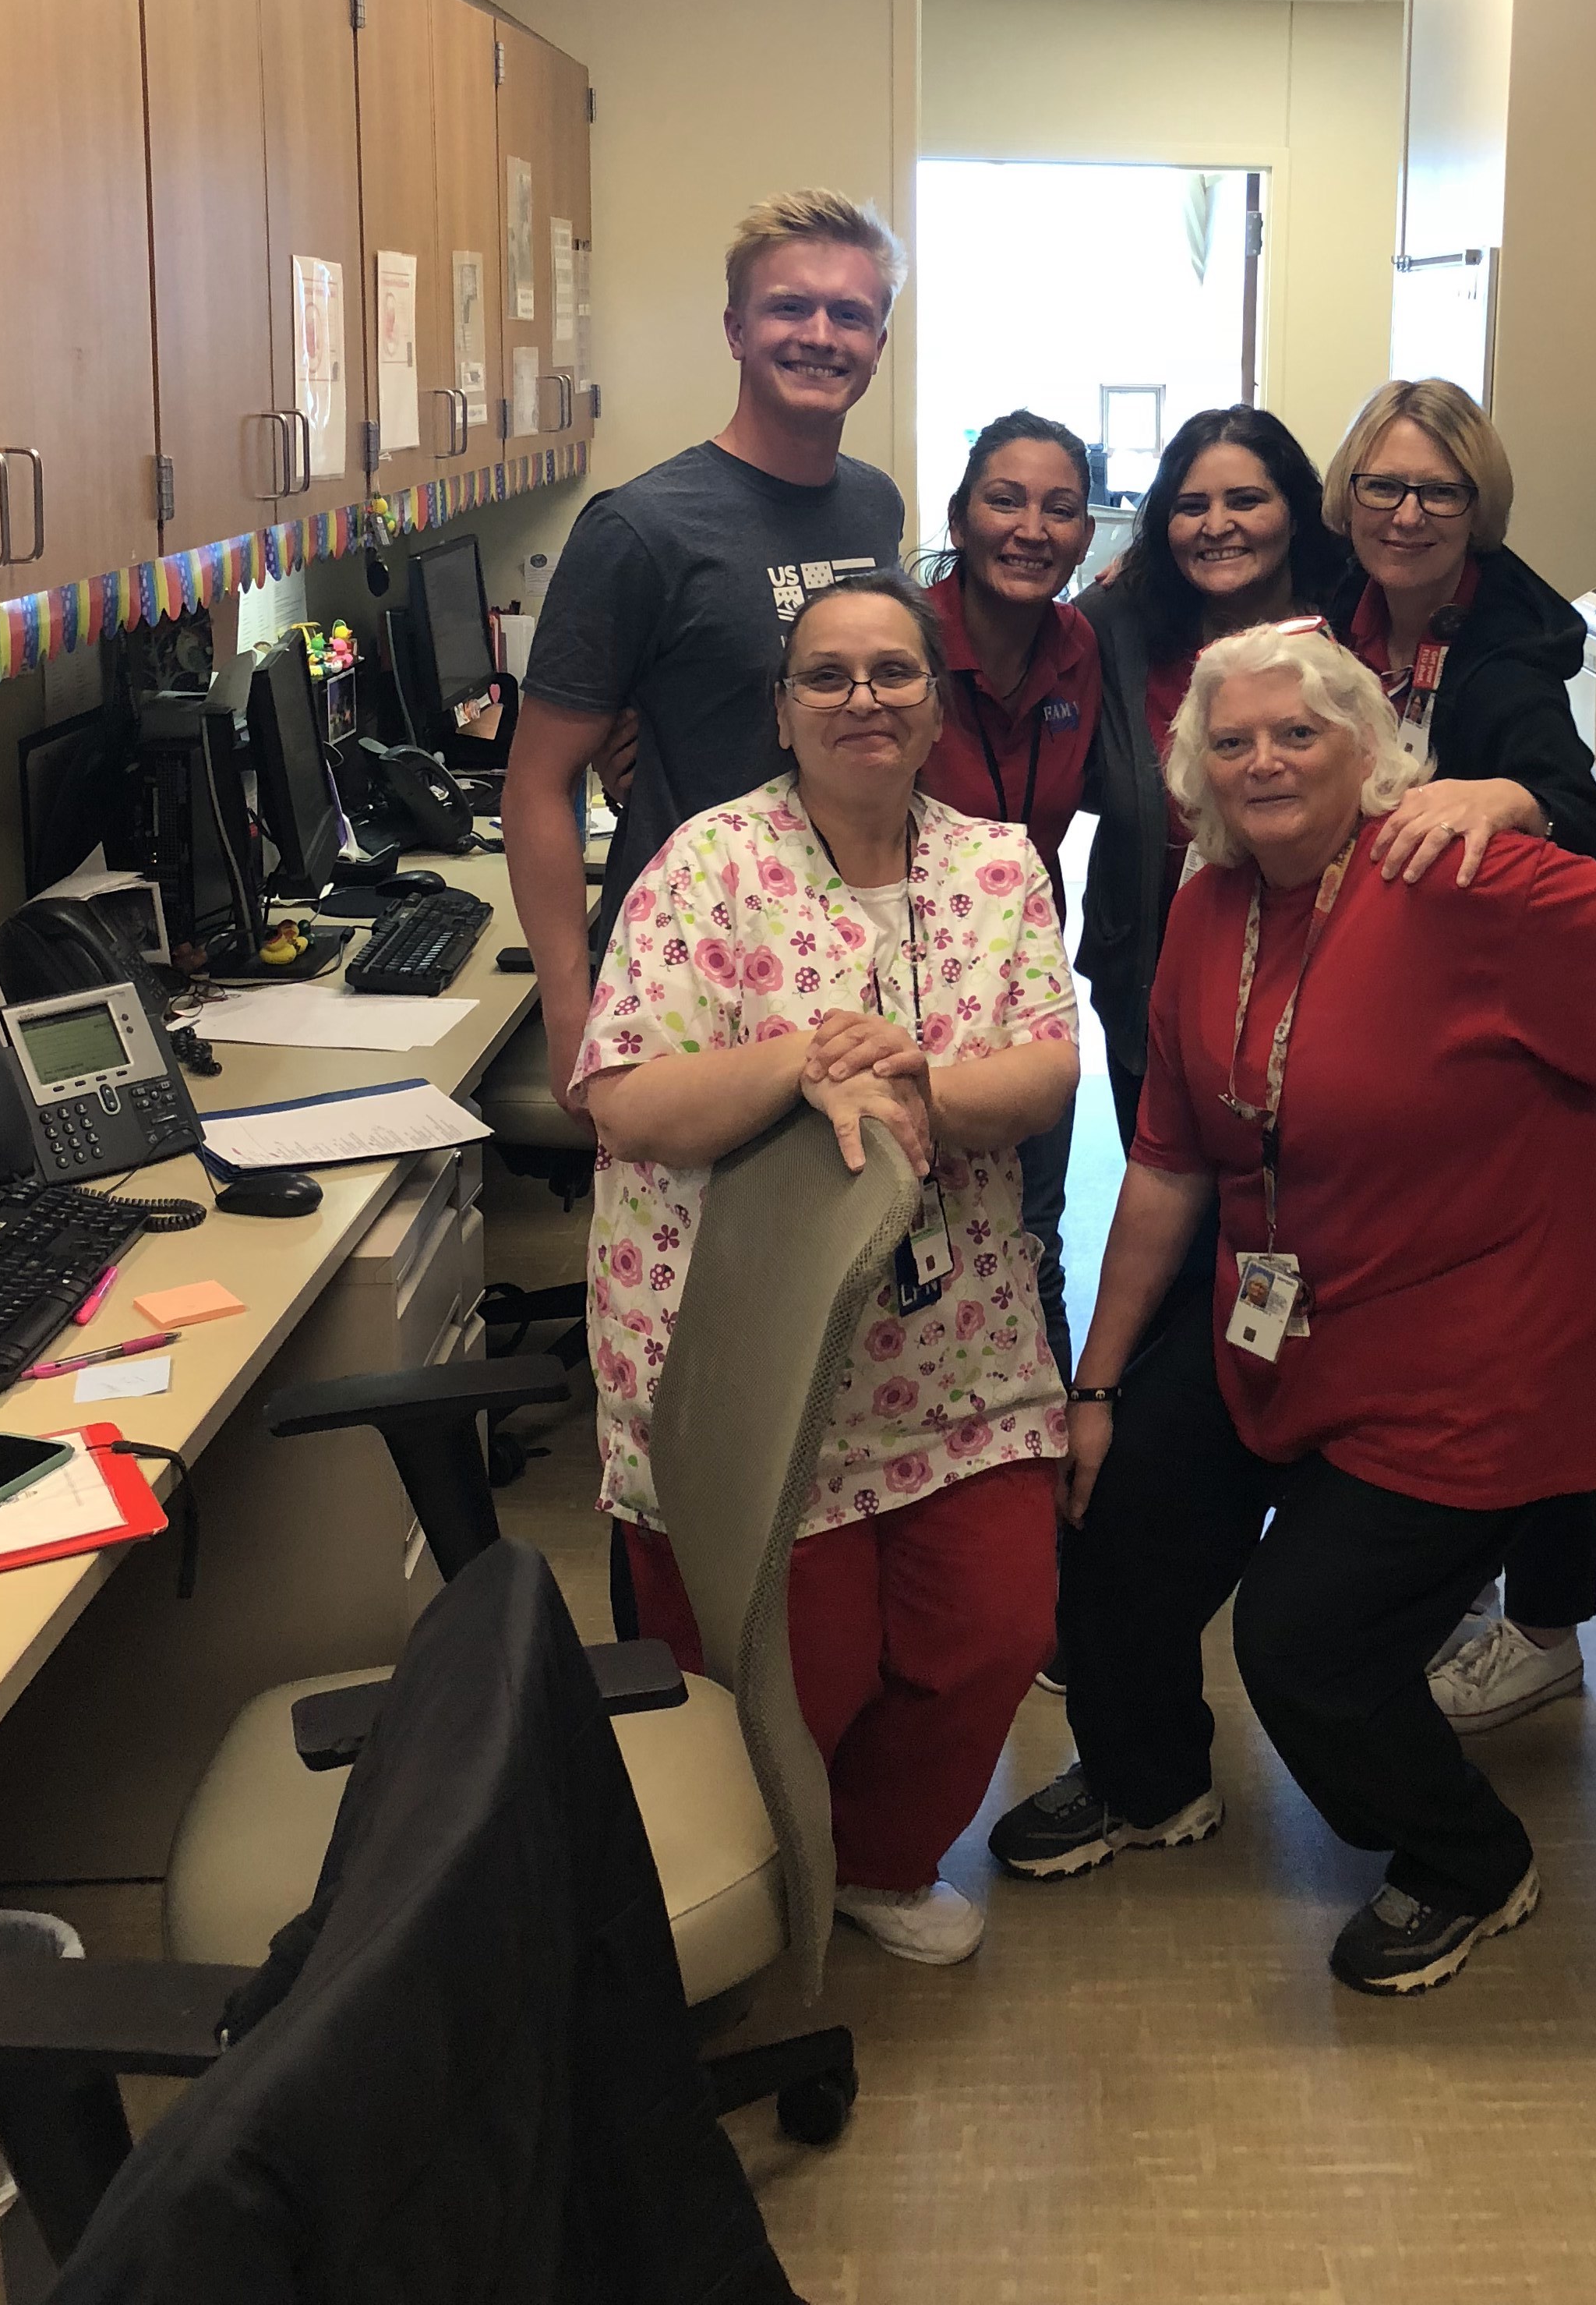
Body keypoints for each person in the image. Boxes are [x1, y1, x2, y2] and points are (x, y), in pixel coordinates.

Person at [987, 622, 1596, 1997]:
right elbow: (1165, 1161)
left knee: (1300, 1640)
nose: (1261, 759)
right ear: (1193, 774)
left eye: (1296, 732)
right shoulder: (1210, 906)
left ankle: (1465, 1859)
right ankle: (1148, 1782)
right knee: (1114, 1501)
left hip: (1484, 1339)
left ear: (1365, 751)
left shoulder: (1460, 876)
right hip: (1286, 1308)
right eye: (1230, 740)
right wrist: (1092, 1386)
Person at [576, 574, 1081, 1971]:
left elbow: (1044, 1072)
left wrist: (917, 1071)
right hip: (738, 1343)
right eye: (827, 676)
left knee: (990, 1627)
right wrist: (801, 1062)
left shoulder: (997, 867)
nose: (863, 698)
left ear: (934, 705)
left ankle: (872, 1859)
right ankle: (751, 1887)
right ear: (780, 708)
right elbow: (623, 1098)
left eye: (893, 674)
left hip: (953, 1340)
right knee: (794, 1668)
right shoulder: (700, 864)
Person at [1322, 376, 1596, 1739]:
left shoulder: (1510, 652)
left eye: (1439, 491)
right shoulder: (1349, 606)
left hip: (1584, 1053)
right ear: (1346, 494)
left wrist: (1514, 792)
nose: (1406, 512)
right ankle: (1461, 1574)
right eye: (1383, 485)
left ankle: (1543, 1627)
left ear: (1480, 509)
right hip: (1470, 1037)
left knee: (1542, 1334)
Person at [503, 189, 906, 1120]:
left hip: (844, 963)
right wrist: (572, 1015)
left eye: (851, 314)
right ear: (735, 329)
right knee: (679, 1257)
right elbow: (536, 781)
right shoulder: (641, 528)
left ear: (879, 344)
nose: (820, 334)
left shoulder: (873, 505)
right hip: (687, 968)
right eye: (788, 307)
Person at [1078, 405, 1345, 1152]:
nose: (1215, 525)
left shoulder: (1353, 619)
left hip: (1324, 977)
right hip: (1154, 973)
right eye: (1190, 507)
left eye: (1246, 501)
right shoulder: (1118, 623)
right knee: (1166, 1184)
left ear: (1294, 513)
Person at [917, 410, 1100, 1398]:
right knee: (902, 1258)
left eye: (1060, 509)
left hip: (1025, 997)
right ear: (959, 515)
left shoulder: (1082, 648)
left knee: (1030, 1241)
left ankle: (1046, 1496)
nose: (1033, 529)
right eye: (1006, 499)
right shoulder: (899, 651)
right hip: (899, 998)